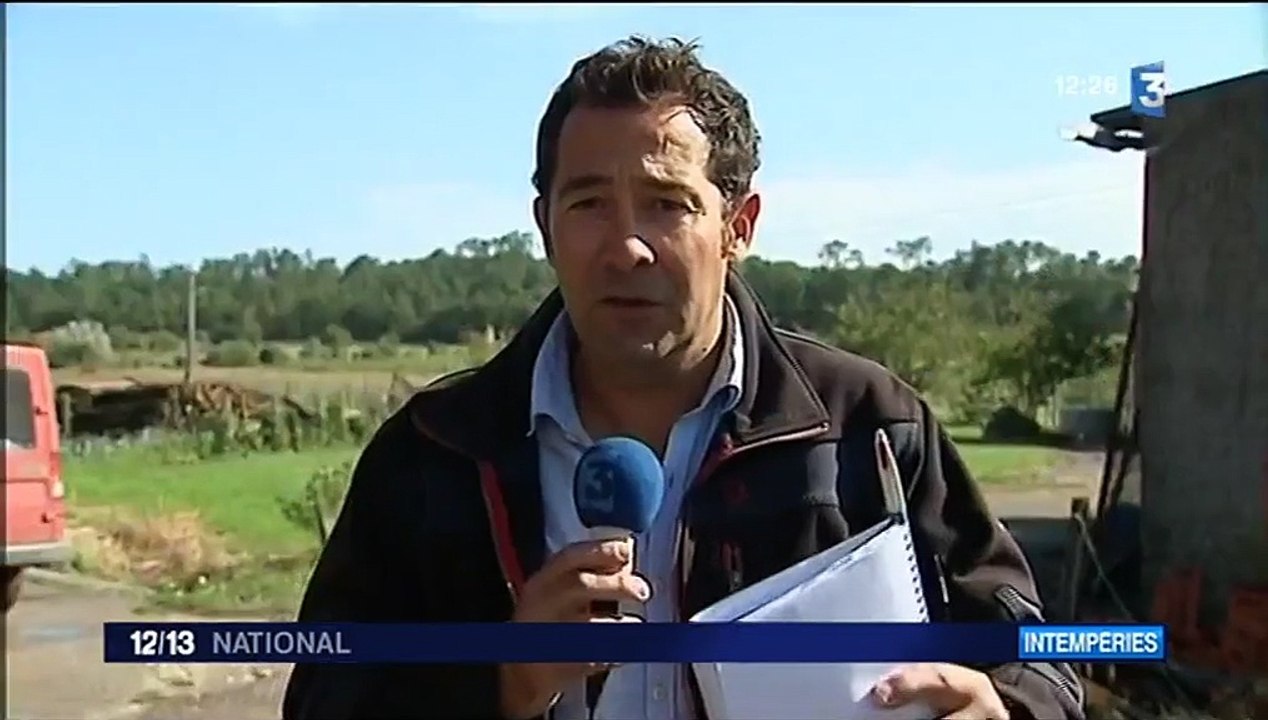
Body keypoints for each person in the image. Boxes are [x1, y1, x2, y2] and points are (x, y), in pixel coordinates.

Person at [282, 35, 1086, 720]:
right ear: (545, 227)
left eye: (668, 204)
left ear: (739, 226)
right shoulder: (435, 451)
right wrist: (504, 679)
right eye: (589, 203)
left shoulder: (869, 425)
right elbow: (324, 696)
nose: (626, 247)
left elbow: (1041, 656)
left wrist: (1005, 707)